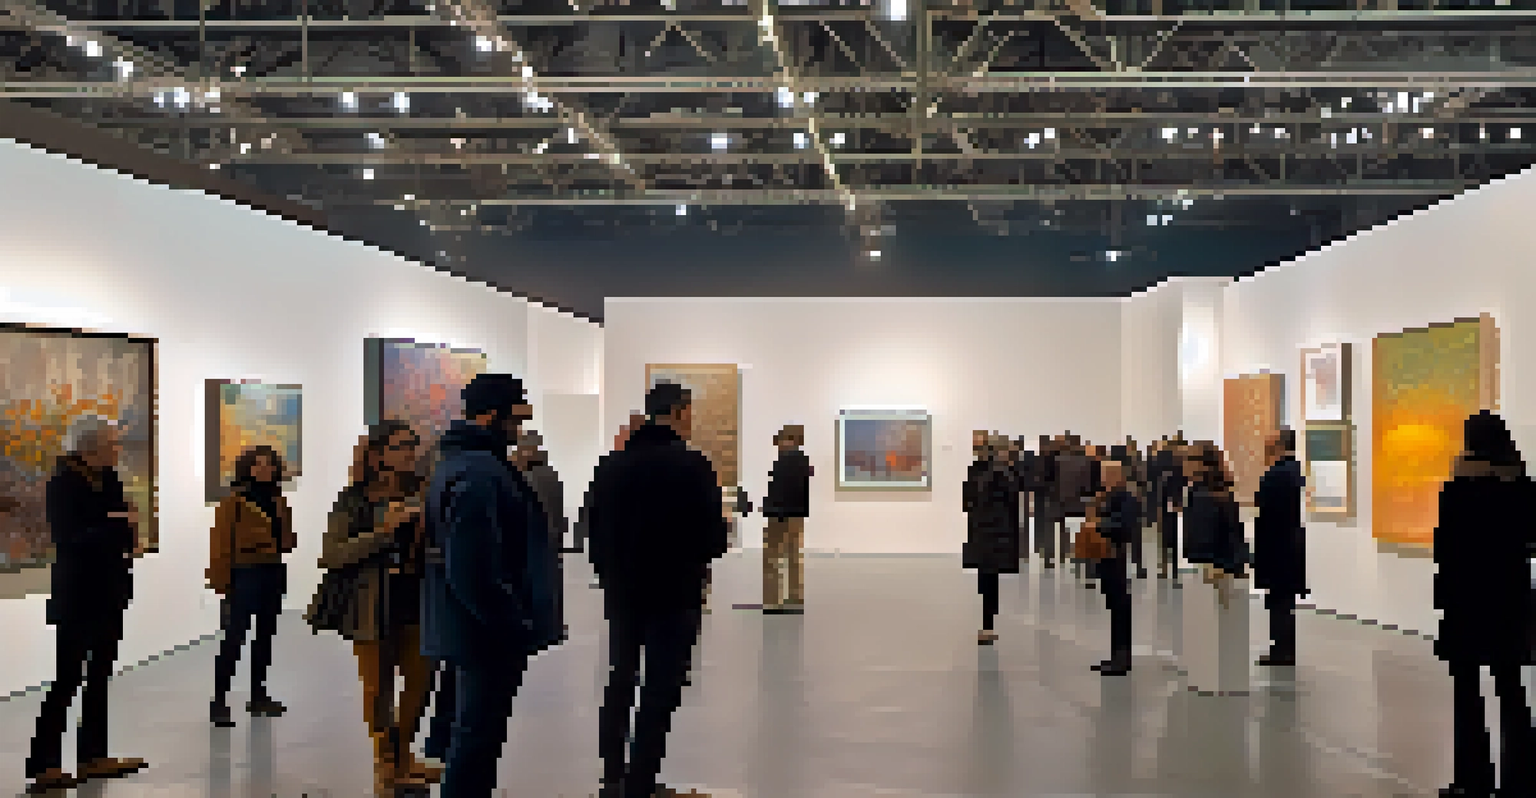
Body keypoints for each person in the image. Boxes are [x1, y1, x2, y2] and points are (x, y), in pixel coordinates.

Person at [586, 382, 729, 798]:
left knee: (621, 677)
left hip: (623, 592)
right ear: (681, 411)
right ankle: (641, 781)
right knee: (660, 688)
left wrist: (611, 573)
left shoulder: (612, 465)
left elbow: (591, 531)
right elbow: (714, 539)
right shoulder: (691, 465)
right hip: (674, 592)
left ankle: (613, 773)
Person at [423, 374, 561, 798]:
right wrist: (510, 623)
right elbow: (472, 568)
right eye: (514, 419)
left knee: (474, 736)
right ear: (490, 416)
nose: (518, 430)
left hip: (474, 628)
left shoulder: (465, 465)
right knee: (476, 739)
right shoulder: (479, 473)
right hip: (485, 633)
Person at [305, 420, 439, 795]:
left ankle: (404, 756)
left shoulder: (424, 492)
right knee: (379, 688)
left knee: (420, 681)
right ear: (377, 454)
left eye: (412, 445)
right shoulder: (354, 499)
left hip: (417, 598)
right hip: (372, 603)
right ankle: (386, 766)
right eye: (399, 446)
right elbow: (332, 554)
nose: (408, 453)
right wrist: (383, 533)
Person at [26, 415, 147, 793]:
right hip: (78, 593)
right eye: (112, 444)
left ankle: (92, 756)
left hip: (110, 589)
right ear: (88, 448)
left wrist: (121, 527)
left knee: (99, 676)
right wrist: (116, 524)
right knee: (67, 678)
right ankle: (44, 764)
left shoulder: (108, 479)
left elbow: (123, 524)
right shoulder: (63, 484)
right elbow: (69, 537)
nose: (117, 449)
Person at [1432, 411, 1534, 797]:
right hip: (1509, 601)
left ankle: (1473, 779)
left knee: (1467, 694)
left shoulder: (1460, 486)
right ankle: (1521, 780)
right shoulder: (1522, 485)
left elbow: (1445, 546)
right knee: (1512, 690)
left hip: (1467, 601)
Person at [207, 444, 296, 728]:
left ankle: (258, 696)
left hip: (272, 572)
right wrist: (223, 583)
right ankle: (219, 702)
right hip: (243, 574)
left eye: (269, 465)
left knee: (265, 636)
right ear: (247, 467)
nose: (264, 469)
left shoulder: (277, 499)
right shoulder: (233, 502)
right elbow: (220, 545)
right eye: (258, 464)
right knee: (234, 638)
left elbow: (287, 539)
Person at [1252, 429, 1306, 667]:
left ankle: (1282, 650)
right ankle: (1283, 648)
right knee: (1283, 601)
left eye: (1269, 442)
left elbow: (1265, 508)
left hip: (1278, 548)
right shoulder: (1293, 471)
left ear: (1279, 445)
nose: (1265, 447)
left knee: (1279, 601)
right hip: (1287, 546)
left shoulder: (1277, 475)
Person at [963, 435, 1021, 644]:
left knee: (986, 579)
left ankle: (987, 625)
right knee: (990, 581)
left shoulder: (975, 471)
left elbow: (966, 502)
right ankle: (988, 626)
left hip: (980, 532)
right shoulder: (1002, 473)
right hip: (997, 534)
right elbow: (1012, 500)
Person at [1090, 460, 1139, 675]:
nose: (1103, 479)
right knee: (1113, 604)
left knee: (1119, 605)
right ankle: (1115, 654)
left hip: (1115, 555)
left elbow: (1126, 525)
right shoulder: (1106, 496)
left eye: (1107, 475)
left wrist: (1100, 525)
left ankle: (1122, 657)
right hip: (1104, 555)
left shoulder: (1126, 498)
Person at [762, 423, 812, 614]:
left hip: (780, 515)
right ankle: (795, 595)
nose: (778, 445)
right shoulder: (803, 461)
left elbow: (780, 491)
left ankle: (772, 600)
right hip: (796, 514)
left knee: (772, 558)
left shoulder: (784, 461)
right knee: (793, 555)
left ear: (788, 440)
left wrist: (770, 509)